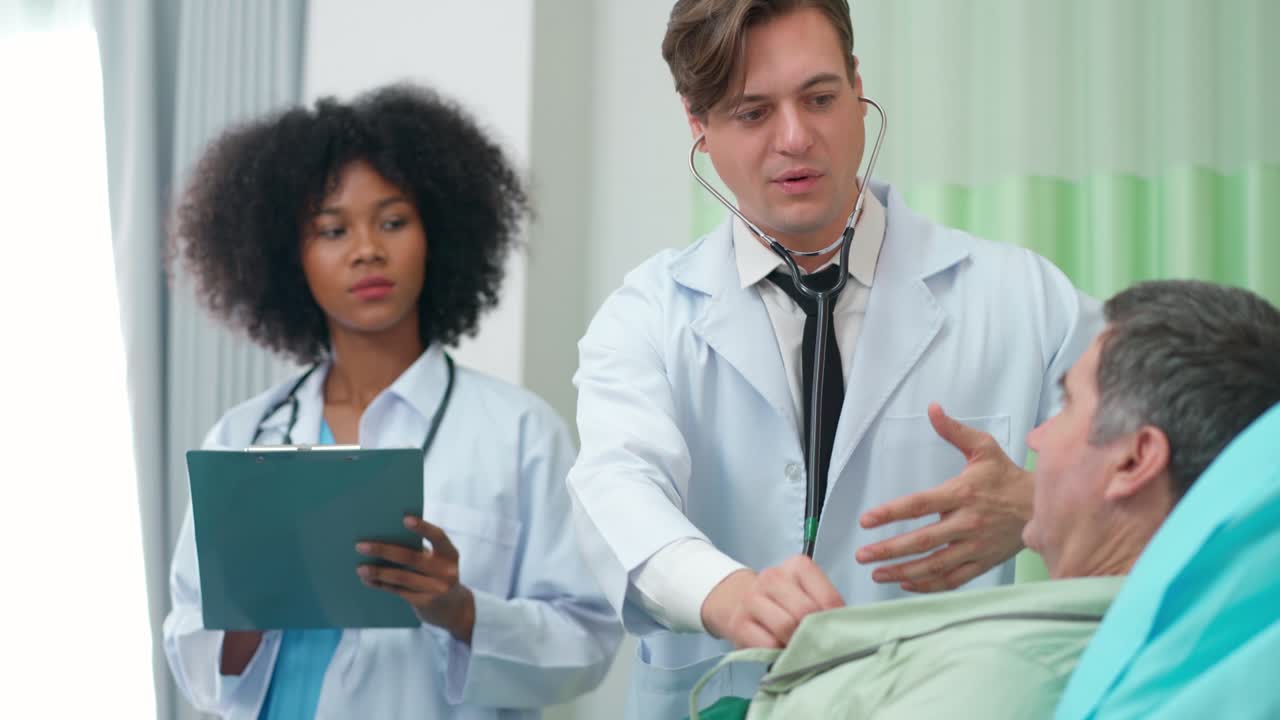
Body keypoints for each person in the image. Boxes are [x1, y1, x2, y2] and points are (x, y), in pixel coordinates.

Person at [566, 1, 1099, 715]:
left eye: (819, 98)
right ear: (698, 124)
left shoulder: (1020, 297)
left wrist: (1039, 506)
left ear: (856, 87)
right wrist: (726, 594)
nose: (795, 138)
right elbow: (616, 490)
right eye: (753, 113)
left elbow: (1167, 470)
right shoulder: (650, 315)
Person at [162, 84, 620, 719]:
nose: (367, 250)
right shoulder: (245, 435)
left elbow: (586, 643)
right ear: (288, 256)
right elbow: (190, 640)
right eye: (332, 230)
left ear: (438, 234)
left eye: (393, 221)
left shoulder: (520, 434)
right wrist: (246, 614)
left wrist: (462, 611)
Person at [685, 279, 1280, 719]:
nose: (1036, 439)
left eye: (1067, 404)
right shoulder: (1168, 631)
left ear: (1133, 460)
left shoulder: (1008, 677)